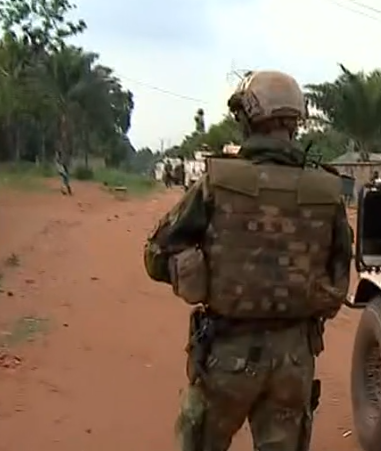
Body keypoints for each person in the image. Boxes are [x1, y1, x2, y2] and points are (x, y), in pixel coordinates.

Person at [143, 70, 353, 451]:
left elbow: (156, 255)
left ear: (248, 119)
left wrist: (198, 272)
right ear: (294, 123)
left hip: (228, 354)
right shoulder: (327, 190)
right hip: (295, 360)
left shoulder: (218, 181)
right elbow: (339, 277)